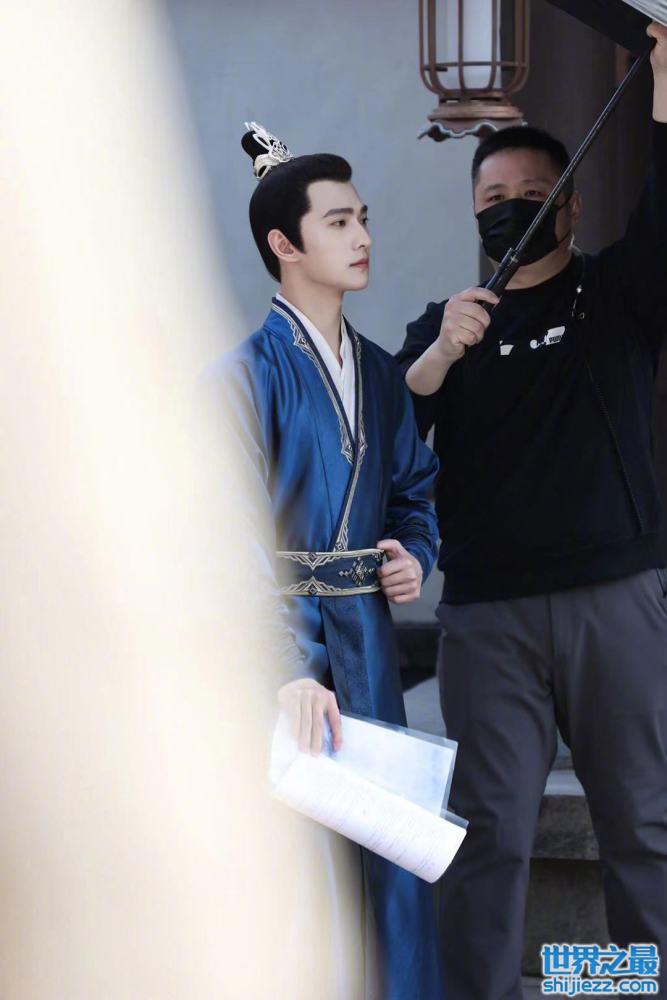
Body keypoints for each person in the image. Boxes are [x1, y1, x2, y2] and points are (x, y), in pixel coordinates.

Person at [396, 22, 667, 1000]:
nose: (511, 209)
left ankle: (626, 983)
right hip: (487, 617)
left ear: (570, 205)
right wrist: (438, 356)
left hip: (614, 596)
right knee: (489, 833)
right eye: (492, 199)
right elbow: (389, 435)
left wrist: (663, 93)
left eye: (531, 194)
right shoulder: (444, 327)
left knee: (639, 823)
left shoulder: (617, 295)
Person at [206, 123, 443, 999]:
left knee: (386, 859)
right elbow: (223, 538)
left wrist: (414, 554)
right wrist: (280, 668)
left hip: (368, 647)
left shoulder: (379, 374)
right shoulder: (241, 379)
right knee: (297, 870)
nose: (363, 237)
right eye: (338, 222)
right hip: (285, 654)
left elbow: (413, 491)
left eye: (363, 218)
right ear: (285, 244)